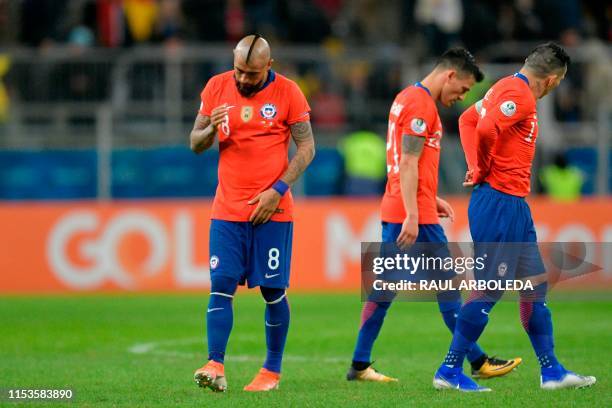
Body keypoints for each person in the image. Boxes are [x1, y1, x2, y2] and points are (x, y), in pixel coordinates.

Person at [347, 48, 521, 383]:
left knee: (385, 290)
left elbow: (404, 161)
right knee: (449, 290)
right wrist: (415, 212)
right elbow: (408, 162)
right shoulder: (420, 105)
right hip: (413, 214)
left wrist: (429, 196)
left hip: (407, 205)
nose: (462, 96)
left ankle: (359, 365)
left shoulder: (406, 96)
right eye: (463, 89)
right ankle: (477, 361)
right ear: (450, 75)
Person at [434, 42, 596, 391]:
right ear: (552, 80)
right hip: (499, 202)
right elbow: (485, 128)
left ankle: (551, 371)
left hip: (513, 204)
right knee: (490, 289)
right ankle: (448, 370)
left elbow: (466, 119)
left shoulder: (505, 87)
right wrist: (485, 166)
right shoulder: (520, 94)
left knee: (534, 288)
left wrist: (476, 165)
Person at [189, 34, 315, 392]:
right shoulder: (216, 87)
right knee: (220, 286)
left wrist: (277, 192)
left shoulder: (289, 92)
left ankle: (271, 372)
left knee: (273, 291)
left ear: (269, 67)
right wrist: (210, 126)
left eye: (253, 74)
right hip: (227, 210)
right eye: (239, 71)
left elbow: (307, 148)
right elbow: (195, 144)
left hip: (272, 211)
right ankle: (215, 365)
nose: (244, 79)